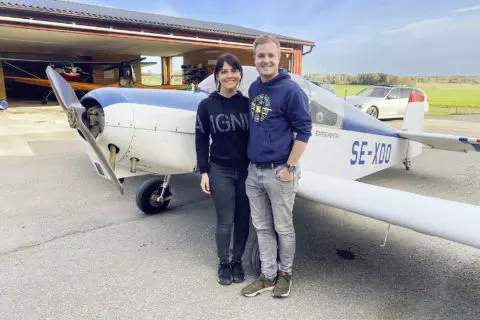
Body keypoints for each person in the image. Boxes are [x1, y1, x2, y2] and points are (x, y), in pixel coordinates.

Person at [241, 35, 312, 298]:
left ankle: (285, 274)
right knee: (261, 227)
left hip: (279, 171)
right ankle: (267, 276)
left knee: (283, 227)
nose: (266, 60)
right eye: (261, 56)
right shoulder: (253, 89)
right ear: (255, 58)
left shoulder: (291, 90)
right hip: (254, 171)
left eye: (271, 55)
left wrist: (289, 167)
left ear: (279, 58)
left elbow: (304, 130)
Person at [195, 54, 251, 286]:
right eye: (224, 71)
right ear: (217, 76)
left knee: (243, 220)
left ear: (240, 74)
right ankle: (223, 263)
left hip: (247, 171)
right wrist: (204, 171)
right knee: (225, 220)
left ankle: (237, 260)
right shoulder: (207, 105)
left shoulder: (247, 104)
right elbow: (200, 138)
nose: (230, 75)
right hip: (220, 170)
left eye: (234, 70)